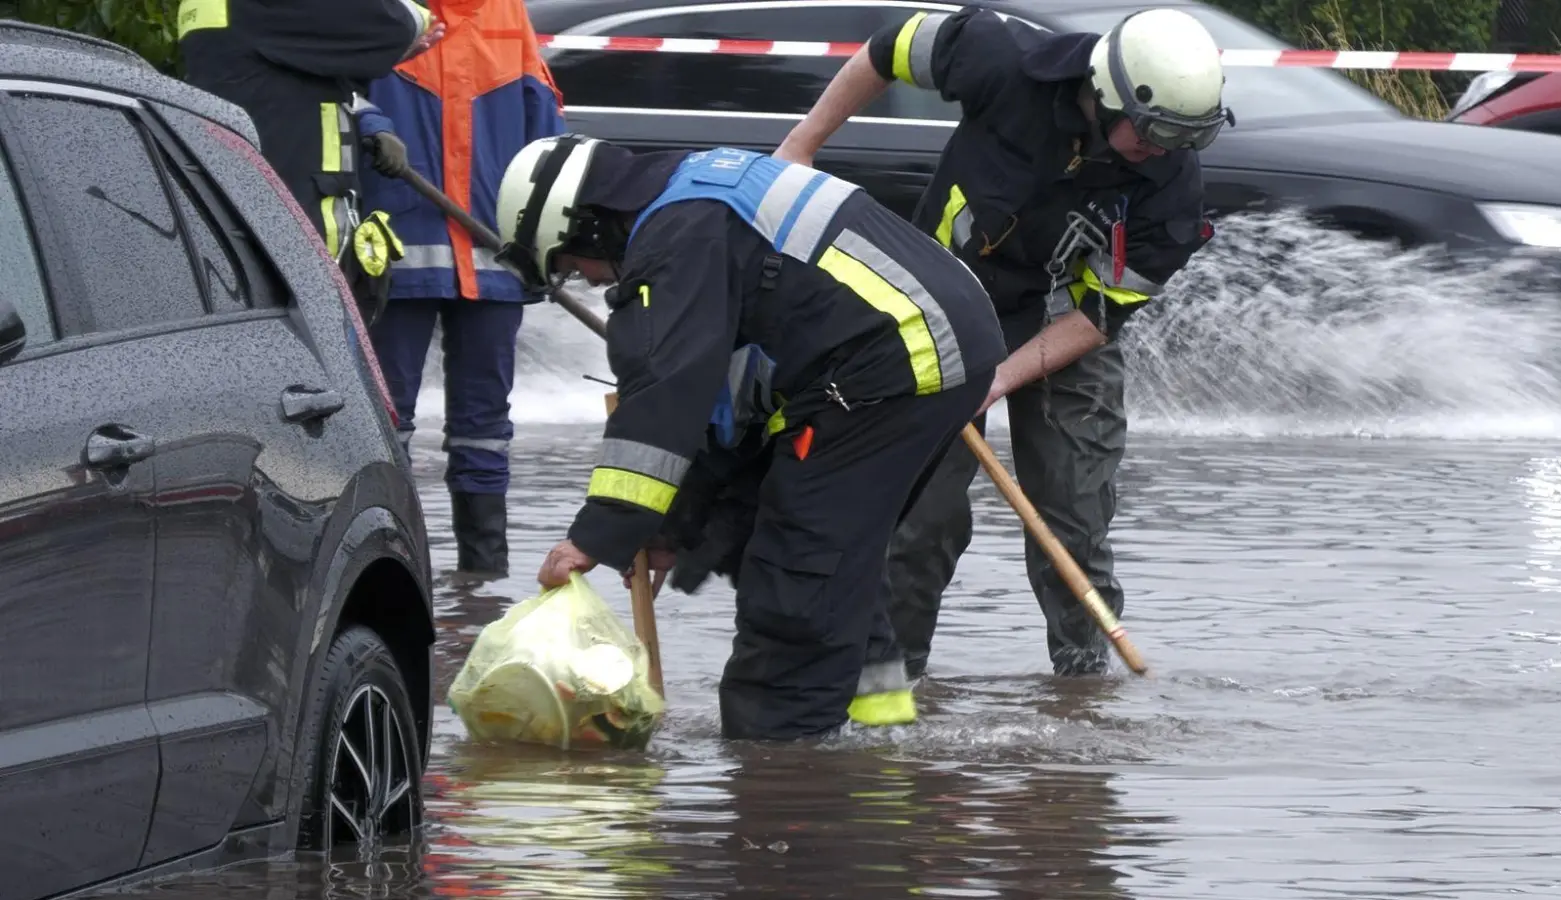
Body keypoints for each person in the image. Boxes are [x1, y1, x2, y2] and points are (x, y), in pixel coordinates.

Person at [497, 135, 1008, 740]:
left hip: (893, 361)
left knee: (797, 568)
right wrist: (673, 525)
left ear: (583, 224)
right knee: (821, 550)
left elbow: (664, 396)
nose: (584, 278)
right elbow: (721, 397)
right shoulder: (695, 193)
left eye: (568, 265)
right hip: (927, 347)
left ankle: (779, 760)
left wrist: (597, 534)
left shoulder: (677, 237)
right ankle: (877, 731)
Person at [773, 7, 1232, 678]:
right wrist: (801, 147)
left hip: (1060, 329)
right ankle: (892, 684)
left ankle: (1084, 692)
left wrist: (996, 381)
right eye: (1155, 131)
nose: (1164, 150)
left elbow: (1097, 317)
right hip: (937, 314)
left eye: (1185, 138)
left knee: (1073, 520)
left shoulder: (1173, 186)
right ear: (1109, 94)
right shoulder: (998, 56)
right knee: (922, 518)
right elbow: (886, 49)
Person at [354, 0, 567, 577]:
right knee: (385, 420)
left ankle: (483, 579)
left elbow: (545, 130)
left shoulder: (504, 13)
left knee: (485, 429)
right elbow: (337, 90)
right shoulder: (387, 9)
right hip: (398, 248)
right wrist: (370, 124)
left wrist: (552, 239)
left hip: (492, 255)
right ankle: (386, 570)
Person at [176, 0, 444, 319]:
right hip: (295, 259)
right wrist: (401, 31)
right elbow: (398, 23)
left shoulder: (241, 17)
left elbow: (302, 74)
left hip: (259, 241)